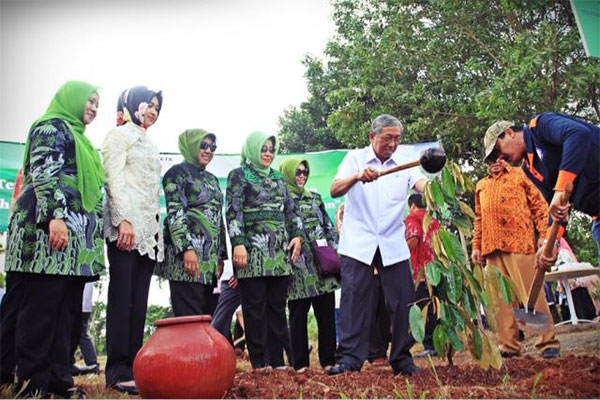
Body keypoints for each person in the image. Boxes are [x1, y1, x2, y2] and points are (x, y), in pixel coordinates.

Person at [1, 81, 104, 397]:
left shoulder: (80, 138)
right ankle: (34, 382)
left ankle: (60, 380)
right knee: (41, 312)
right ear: (71, 99)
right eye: (89, 100)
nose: (94, 108)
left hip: (71, 245)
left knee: (66, 314)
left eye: (97, 103)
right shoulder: (50, 127)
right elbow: (45, 174)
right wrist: (55, 218)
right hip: (45, 235)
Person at [328, 114, 428, 376]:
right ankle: (350, 358)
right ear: (372, 137)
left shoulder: (405, 160)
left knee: (403, 301)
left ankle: (402, 358)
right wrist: (358, 177)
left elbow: (420, 184)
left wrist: (433, 185)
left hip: (392, 241)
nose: (392, 144)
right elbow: (334, 189)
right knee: (354, 300)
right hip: (358, 241)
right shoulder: (354, 158)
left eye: (396, 138)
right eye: (387, 138)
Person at [102, 86, 163, 395]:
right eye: (148, 104)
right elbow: (112, 179)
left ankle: (134, 367)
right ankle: (116, 370)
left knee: (138, 303)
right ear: (132, 104)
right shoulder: (119, 135)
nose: (152, 111)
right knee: (122, 299)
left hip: (148, 233)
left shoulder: (149, 143)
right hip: (125, 229)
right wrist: (122, 218)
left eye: (157, 107)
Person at [225, 131, 304, 371]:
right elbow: (233, 210)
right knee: (254, 309)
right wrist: (238, 242)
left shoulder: (279, 178)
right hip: (251, 253)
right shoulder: (238, 176)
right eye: (263, 148)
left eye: (271, 148)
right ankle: (259, 363)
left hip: (279, 253)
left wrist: (297, 237)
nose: (268, 153)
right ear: (253, 150)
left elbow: (291, 210)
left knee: (277, 308)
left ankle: (277, 362)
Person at [471, 156, 560, 359]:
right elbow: (479, 218)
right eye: (489, 159)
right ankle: (509, 345)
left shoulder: (520, 175)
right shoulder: (481, 185)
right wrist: (476, 246)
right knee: (501, 301)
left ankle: (546, 343)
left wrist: (545, 237)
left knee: (530, 294)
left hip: (519, 244)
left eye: (498, 157)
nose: (494, 162)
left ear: (504, 157)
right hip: (491, 249)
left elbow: (539, 207)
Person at [484, 114, 599, 266]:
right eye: (494, 157)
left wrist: (560, 191)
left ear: (510, 133)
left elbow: (578, 134)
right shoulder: (529, 169)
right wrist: (550, 243)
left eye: (497, 150)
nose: (500, 158)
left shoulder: (539, 126)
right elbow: (555, 206)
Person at [156, 129, 227, 317]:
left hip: (208, 263)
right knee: (189, 320)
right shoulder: (177, 174)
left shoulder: (211, 179)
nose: (208, 150)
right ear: (191, 146)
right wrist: (186, 249)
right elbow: (175, 213)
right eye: (203, 145)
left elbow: (218, 218)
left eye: (212, 147)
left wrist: (220, 256)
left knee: (206, 320)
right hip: (186, 261)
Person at [279, 158, 340, 372]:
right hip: (297, 267)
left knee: (326, 315)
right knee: (297, 317)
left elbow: (328, 226)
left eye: (305, 172)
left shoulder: (314, 197)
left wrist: (335, 251)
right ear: (287, 173)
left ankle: (329, 361)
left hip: (322, 264)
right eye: (297, 172)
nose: (302, 175)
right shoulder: (281, 200)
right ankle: (300, 365)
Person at [404, 193, 441, 358]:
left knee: (419, 308)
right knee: (433, 308)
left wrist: (398, 254)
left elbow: (413, 238)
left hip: (419, 272)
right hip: (435, 271)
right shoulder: (434, 221)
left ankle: (422, 343)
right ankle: (435, 344)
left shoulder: (413, 218)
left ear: (412, 206)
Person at [71, 282, 100, 375]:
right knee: (78, 334)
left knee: (80, 334)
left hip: (81, 306)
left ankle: (92, 363)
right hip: (84, 306)